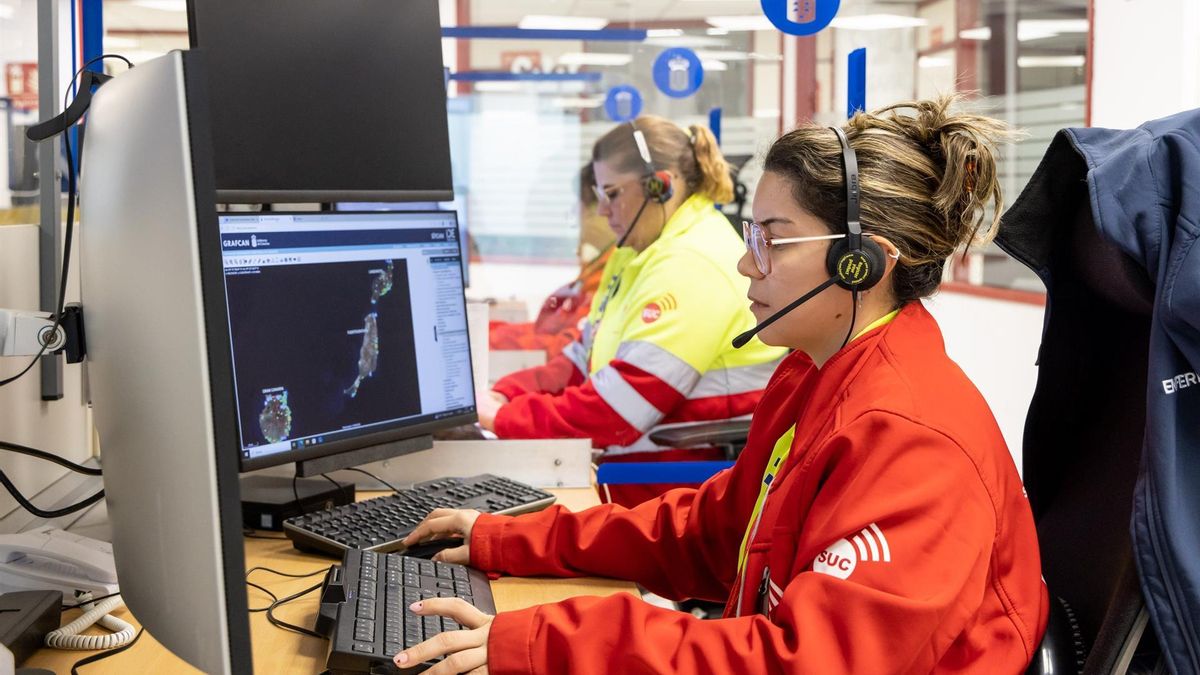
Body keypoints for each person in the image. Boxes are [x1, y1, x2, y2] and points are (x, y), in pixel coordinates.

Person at [397, 96, 1049, 673]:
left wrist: (545, 643)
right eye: (750, 234)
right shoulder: (815, 371)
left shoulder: (912, 439)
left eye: (773, 240)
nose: (744, 262)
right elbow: (715, 533)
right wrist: (508, 536)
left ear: (863, 262)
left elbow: (800, 662)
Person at [477, 115, 787, 506]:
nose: (603, 210)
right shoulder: (634, 254)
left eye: (612, 193)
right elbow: (581, 356)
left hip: (678, 488)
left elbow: (616, 411)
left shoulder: (691, 263)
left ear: (661, 186)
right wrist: (504, 394)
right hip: (630, 471)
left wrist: (504, 420)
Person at [488, 164, 616, 359]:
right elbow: (545, 331)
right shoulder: (596, 269)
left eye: (581, 208)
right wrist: (486, 333)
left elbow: (563, 347)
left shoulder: (606, 276)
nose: (577, 218)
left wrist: (488, 340)